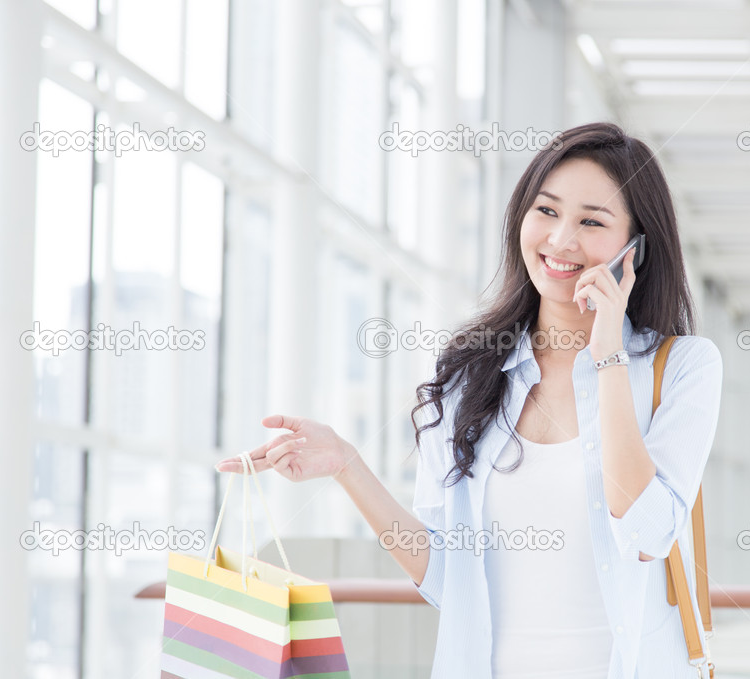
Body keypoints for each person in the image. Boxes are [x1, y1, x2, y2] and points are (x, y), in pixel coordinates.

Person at [216, 121, 723, 678]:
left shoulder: (682, 368)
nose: (559, 240)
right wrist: (346, 465)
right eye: (546, 211)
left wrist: (608, 357)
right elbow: (445, 579)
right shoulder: (471, 375)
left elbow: (648, 535)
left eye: (592, 221)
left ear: (636, 247)